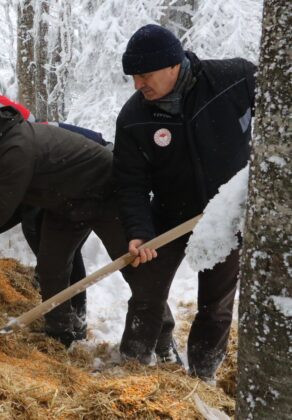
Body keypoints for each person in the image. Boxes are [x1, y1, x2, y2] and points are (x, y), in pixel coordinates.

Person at [0, 87, 147, 347]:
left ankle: (156, 342)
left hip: (105, 194)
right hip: (66, 202)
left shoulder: (16, 147)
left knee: (134, 266)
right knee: (51, 268)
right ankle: (61, 338)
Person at [113, 24, 256, 380]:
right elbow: (129, 183)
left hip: (226, 215)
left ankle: (202, 378)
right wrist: (139, 232)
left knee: (216, 305)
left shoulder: (232, 79)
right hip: (169, 216)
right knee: (146, 294)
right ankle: (131, 371)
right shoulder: (134, 118)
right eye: (132, 76)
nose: (137, 85)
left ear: (173, 64)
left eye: (144, 75)